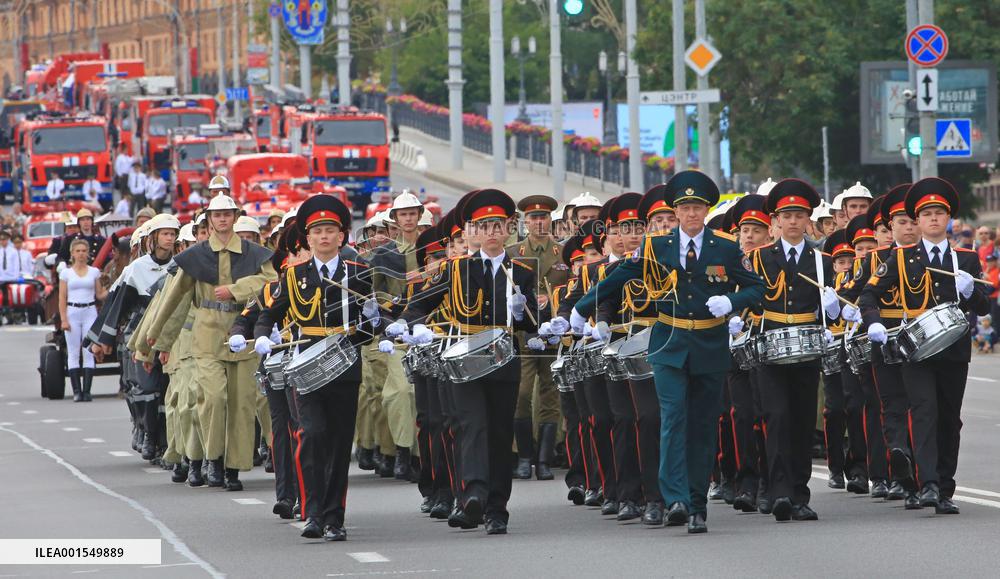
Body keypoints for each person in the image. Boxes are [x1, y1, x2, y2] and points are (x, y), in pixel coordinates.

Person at [567, 170, 764, 534]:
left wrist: (732, 301)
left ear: (706, 210)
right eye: (685, 207)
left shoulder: (725, 247)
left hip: (708, 344)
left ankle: (697, 505)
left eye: (697, 207)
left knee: (703, 426)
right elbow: (619, 275)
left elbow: (757, 288)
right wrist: (583, 306)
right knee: (672, 418)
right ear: (675, 211)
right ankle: (675, 499)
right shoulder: (657, 246)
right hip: (670, 344)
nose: (691, 213)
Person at [386, 188, 539, 535]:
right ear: (473, 231)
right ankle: (472, 494)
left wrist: (524, 310)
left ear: (508, 229)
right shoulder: (455, 270)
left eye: (497, 226)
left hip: (503, 359)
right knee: (471, 425)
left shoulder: (523, 272)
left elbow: (533, 323)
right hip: (464, 360)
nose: (491, 233)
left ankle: (497, 508)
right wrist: (412, 327)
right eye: (483, 226)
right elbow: (419, 304)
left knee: (500, 433)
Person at [254, 194, 380, 541]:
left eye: (331, 231)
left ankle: (334, 517)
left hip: (344, 367)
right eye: (318, 232)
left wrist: (375, 325)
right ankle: (312, 513)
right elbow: (268, 314)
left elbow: (370, 323)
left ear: (342, 236)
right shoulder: (294, 277)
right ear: (307, 239)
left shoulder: (360, 273)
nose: (324, 237)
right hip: (306, 368)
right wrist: (263, 337)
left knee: (339, 444)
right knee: (311, 435)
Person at [861, 177, 990, 515]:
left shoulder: (967, 258)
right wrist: (874, 321)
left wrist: (970, 292)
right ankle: (928, 484)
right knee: (923, 413)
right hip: (916, 351)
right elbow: (868, 294)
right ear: (917, 221)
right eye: (927, 214)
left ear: (948, 219)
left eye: (939, 213)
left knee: (950, 419)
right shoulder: (902, 259)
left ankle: (945, 487)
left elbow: (986, 306)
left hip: (954, 350)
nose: (934, 219)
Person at [145, 194, 275, 490]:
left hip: (244, 334)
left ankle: (233, 469)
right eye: (217, 215)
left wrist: (236, 289)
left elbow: (271, 282)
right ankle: (212, 460)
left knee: (242, 404)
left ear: (235, 216)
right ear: (209, 220)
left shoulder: (254, 253)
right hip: (206, 336)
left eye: (227, 214)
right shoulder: (196, 255)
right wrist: (158, 340)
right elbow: (175, 300)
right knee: (213, 399)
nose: (222, 219)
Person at [747, 178, 840, 522]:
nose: (792, 221)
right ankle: (779, 491)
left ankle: (799, 494)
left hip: (807, 347)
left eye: (799, 215)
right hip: (769, 345)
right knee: (776, 417)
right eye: (786, 215)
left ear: (808, 220)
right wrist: (740, 320)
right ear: (775, 220)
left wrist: (833, 312)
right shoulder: (758, 259)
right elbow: (747, 301)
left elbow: (837, 307)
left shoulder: (822, 262)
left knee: (801, 421)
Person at [508, 194, 567, 481]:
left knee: (550, 395)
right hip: (523, 334)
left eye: (543, 217)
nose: (539, 222)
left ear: (550, 221)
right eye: (533, 218)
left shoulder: (563, 253)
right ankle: (524, 456)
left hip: (553, 337)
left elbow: (572, 287)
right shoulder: (512, 252)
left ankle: (544, 459)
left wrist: (553, 299)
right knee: (520, 395)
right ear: (525, 222)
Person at [368, 191, 425, 479]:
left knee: (421, 393)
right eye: (403, 214)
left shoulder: (432, 249)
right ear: (395, 219)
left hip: (428, 329)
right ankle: (402, 451)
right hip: (396, 329)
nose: (408, 218)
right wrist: (387, 314)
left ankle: (418, 455)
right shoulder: (384, 254)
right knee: (401, 391)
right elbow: (371, 293)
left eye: (413, 213)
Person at [60, 238, 106, 401]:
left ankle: (87, 391)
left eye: (84, 251)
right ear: (72, 253)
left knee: (88, 351)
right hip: (72, 311)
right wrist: (64, 319)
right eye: (78, 251)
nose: (81, 254)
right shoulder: (66, 273)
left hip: (89, 311)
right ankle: (76, 391)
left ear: (88, 253)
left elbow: (99, 294)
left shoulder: (94, 272)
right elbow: (62, 298)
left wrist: (113, 289)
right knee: (73, 352)